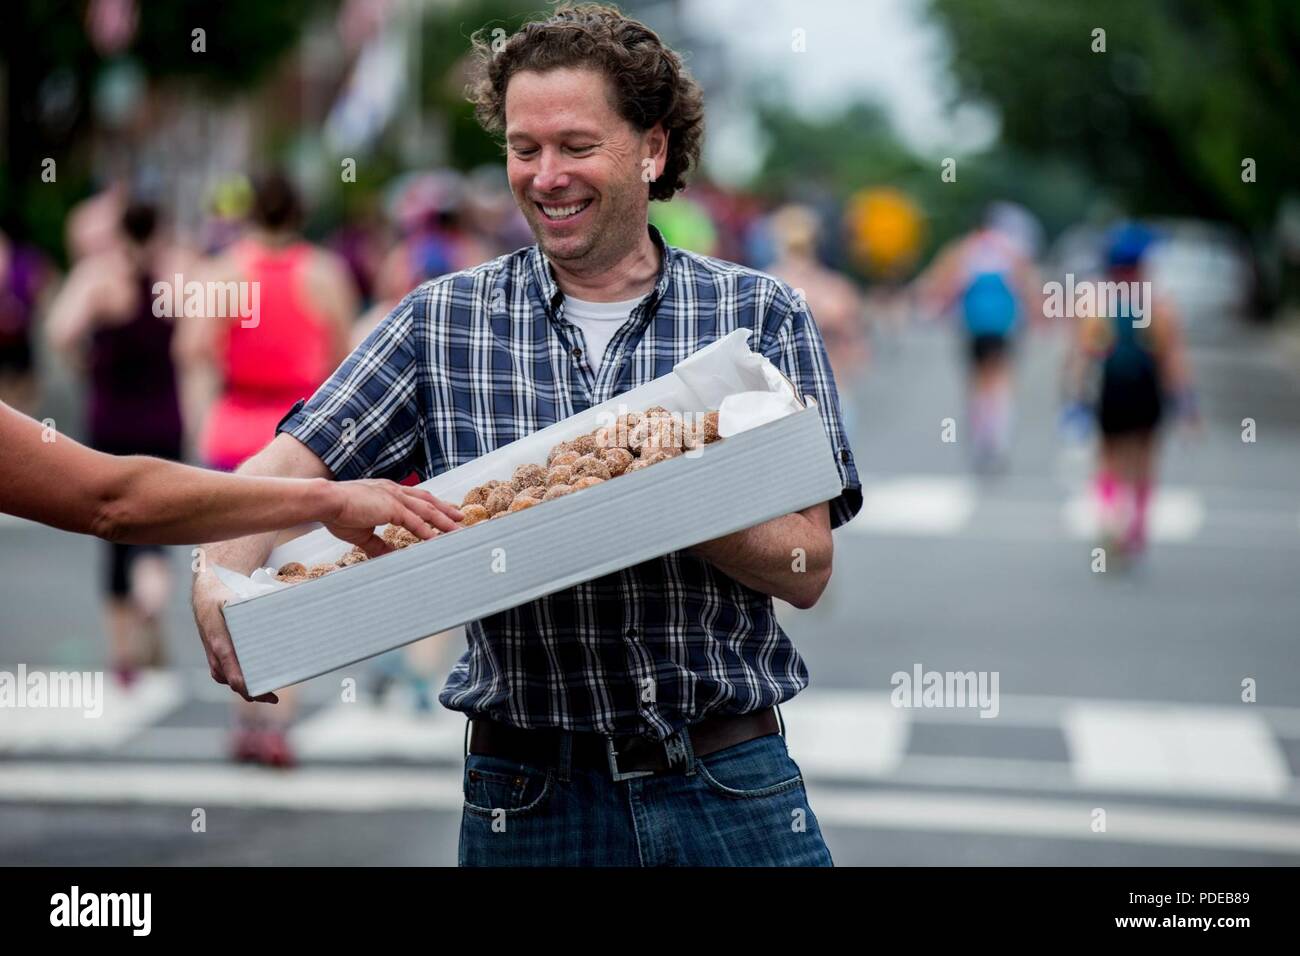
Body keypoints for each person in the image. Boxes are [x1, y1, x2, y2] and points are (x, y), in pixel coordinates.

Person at [191, 2, 861, 867]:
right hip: (528, 797)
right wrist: (218, 573)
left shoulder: (758, 314)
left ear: (651, 149)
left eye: (576, 147)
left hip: (726, 781)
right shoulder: (445, 322)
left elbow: (808, 569)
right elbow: (283, 473)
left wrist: (671, 489)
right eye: (523, 148)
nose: (546, 176)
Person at [174, 171, 359, 765]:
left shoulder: (224, 270)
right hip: (296, 441)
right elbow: (343, 363)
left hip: (233, 435)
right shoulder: (324, 274)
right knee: (288, 576)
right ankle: (280, 715)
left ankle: (243, 715)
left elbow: (193, 351)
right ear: (301, 211)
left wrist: (200, 424)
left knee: (227, 578)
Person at [46, 201, 188, 687]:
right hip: (163, 418)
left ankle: (123, 653)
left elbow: (60, 331)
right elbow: (195, 341)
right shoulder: (176, 276)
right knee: (156, 524)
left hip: (111, 420)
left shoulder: (98, 277)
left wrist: (87, 363)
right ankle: (152, 600)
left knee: (112, 528)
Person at [1064, 223, 1197, 561]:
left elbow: (1081, 354)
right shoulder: (1158, 302)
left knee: (1107, 459)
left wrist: (1075, 400)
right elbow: (1172, 358)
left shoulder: (1094, 299)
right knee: (1143, 460)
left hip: (1110, 390)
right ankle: (1136, 527)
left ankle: (1111, 519)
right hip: (1146, 390)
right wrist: (1186, 403)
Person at [918, 202, 1042, 473]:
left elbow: (945, 285)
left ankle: (981, 439)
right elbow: (1028, 286)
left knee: (977, 383)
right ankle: (997, 440)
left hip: (974, 325)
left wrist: (935, 311)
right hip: (1004, 326)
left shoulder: (964, 249)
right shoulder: (1010, 250)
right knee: (1000, 381)